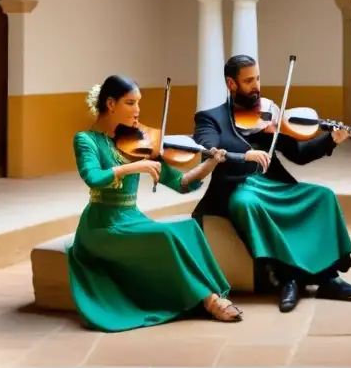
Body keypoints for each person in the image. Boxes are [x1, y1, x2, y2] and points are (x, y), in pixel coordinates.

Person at [67, 75, 243, 332]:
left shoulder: (139, 140)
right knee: (163, 234)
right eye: (130, 103)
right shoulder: (86, 140)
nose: (137, 111)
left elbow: (183, 183)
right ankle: (209, 301)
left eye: (138, 103)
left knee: (189, 228)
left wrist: (210, 163)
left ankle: (207, 293)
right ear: (111, 103)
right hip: (102, 225)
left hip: (131, 216)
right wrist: (134, 167)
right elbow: (93, 178)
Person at [192, 54, 351, 313]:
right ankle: (288, 279)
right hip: (239, 187)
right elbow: (209, 147)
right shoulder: (210, 118)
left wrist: (331, 139)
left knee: (323, 196)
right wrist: (245, 152)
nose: (256, 86)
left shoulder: (267, 116)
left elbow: (300, 154)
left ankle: (329, 277)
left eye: (258, 78)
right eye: (248, 80)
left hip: (273, 185)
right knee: (246, 203)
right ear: (231, 84)